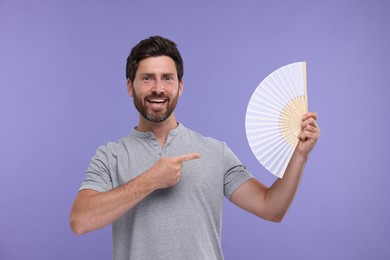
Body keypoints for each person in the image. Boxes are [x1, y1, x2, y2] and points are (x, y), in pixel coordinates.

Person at [70, 36, 320, 260]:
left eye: (167, 78)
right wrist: (150, 180)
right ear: (129, 86)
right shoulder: (110, 155)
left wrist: (299, 156)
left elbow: (271, 208)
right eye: (147, 78)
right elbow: (80, 221)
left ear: (180, 86)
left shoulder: (215, 151)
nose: (158, 88)